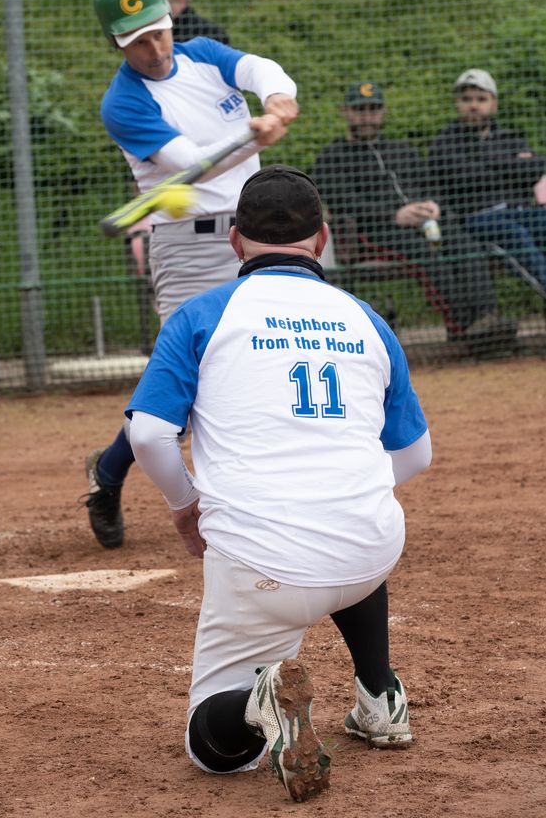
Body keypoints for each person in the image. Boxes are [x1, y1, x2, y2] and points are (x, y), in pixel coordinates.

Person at [126, 164, 432, 802]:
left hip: (265, 565)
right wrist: (351, 488)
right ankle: (381, 697)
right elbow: (416, 456)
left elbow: (149, 436)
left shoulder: (203, 314)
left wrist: (184, 505)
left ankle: (257, 700)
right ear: (322, 239)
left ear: (234, 241)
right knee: (344, 513)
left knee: (212, 753)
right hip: (371, 553)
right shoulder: (366, 318)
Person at [83, 0, 298, 549]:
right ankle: (109, 471)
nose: (154, 50)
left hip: (255, 232)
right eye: (137, 42)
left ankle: (259, 497)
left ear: (169, 19)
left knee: (265, 356)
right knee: (188, 379)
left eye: (158, 32)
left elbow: (258, 68)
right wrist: (255, 134)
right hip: (187, 247)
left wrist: (278, 96)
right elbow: (193, 165)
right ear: (116, 44)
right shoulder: (123, 103)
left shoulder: (203, 54)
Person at [313, 81, 514, 342]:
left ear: (383, 111)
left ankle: (487, 318)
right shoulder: (332, 156)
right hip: (373, 232)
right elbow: (342, 201)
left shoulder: (402, 149)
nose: (367, 116)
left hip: (425, 224)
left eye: (373, 109)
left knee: (466, 246)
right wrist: (393, 215)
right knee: (425, 255)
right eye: (359, 109)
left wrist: (433, 205)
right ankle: (464, 328)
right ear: (345, 111)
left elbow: (432, 186)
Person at [429, 69, 546, 295]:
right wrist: (511, 164)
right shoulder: (443, 144)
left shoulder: (509, 137)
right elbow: (465, 178)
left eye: (481, 99)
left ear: (494, 104)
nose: (473, 106)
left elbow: (535, 168)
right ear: (457, 103)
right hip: (477, 219)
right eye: (466, 99)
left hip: (521, 213)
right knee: (513, 233)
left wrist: (484, 161)